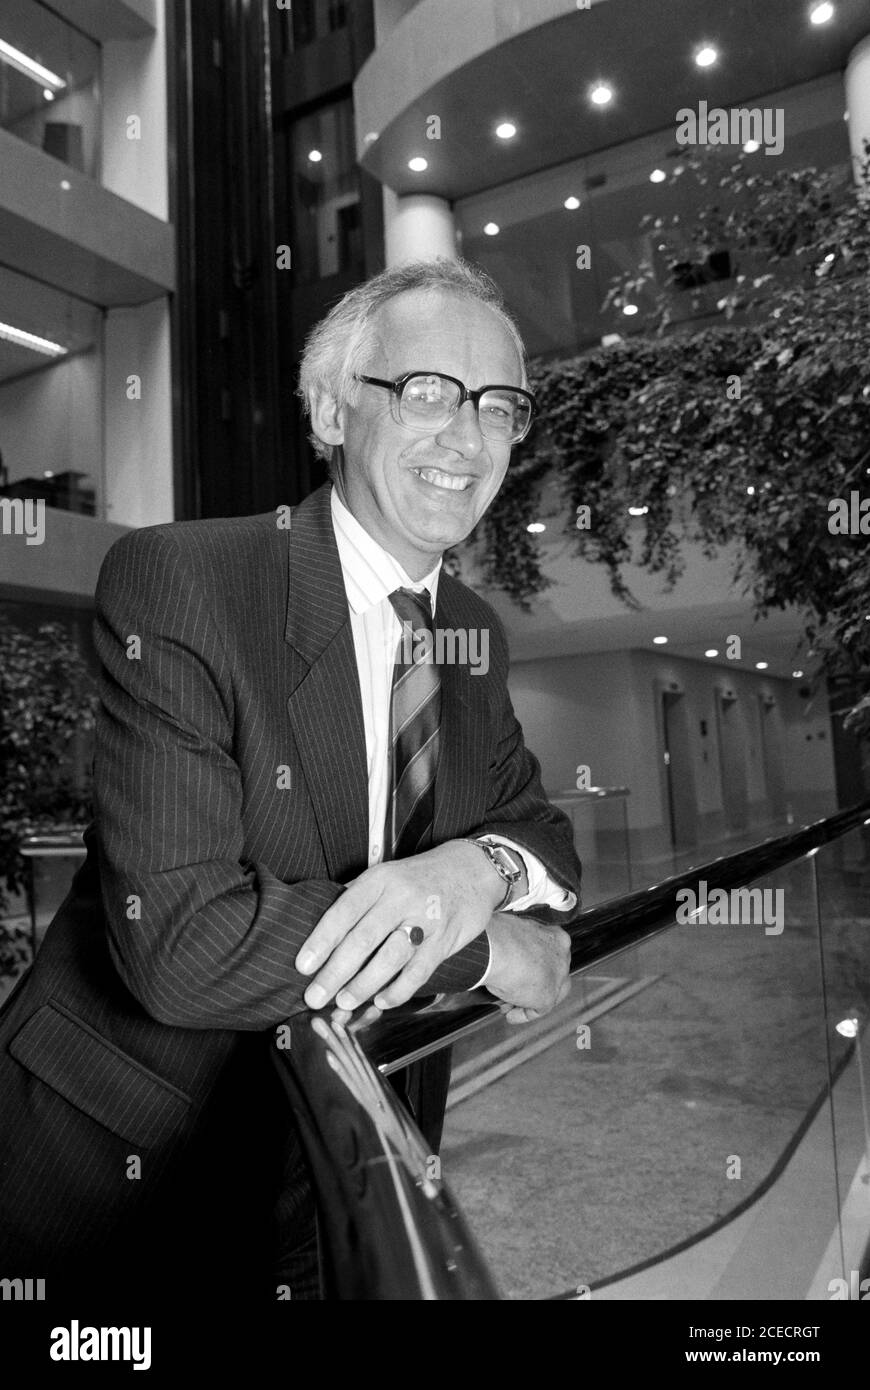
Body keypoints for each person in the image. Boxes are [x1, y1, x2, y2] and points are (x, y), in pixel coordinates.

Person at [0, 258, 582, 1303]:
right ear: (329, 407)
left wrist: (475, 865)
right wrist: (480, 942)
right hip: (128, 1168)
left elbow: (542, 831)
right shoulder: (184, 579)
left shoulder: (471, 637)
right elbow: (181, 944)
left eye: (499, 404)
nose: (467, 436)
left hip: (351, 1156)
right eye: (426, 391)